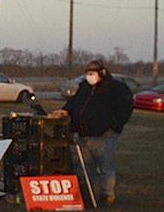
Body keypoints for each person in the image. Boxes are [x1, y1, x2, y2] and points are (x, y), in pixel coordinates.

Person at [52, 59, 133, 204]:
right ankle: (92, 193)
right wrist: (65, 111)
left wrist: (115, 126)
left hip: (104, 135)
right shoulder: (84, 88)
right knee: (87, 167)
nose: (90, 76)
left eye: (92, 73)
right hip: (84, 134)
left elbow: (125, 108)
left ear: (101, 73)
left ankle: (107, 194)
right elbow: (73, 103)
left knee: (106, 166)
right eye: (88, 73)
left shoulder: (116, 88)